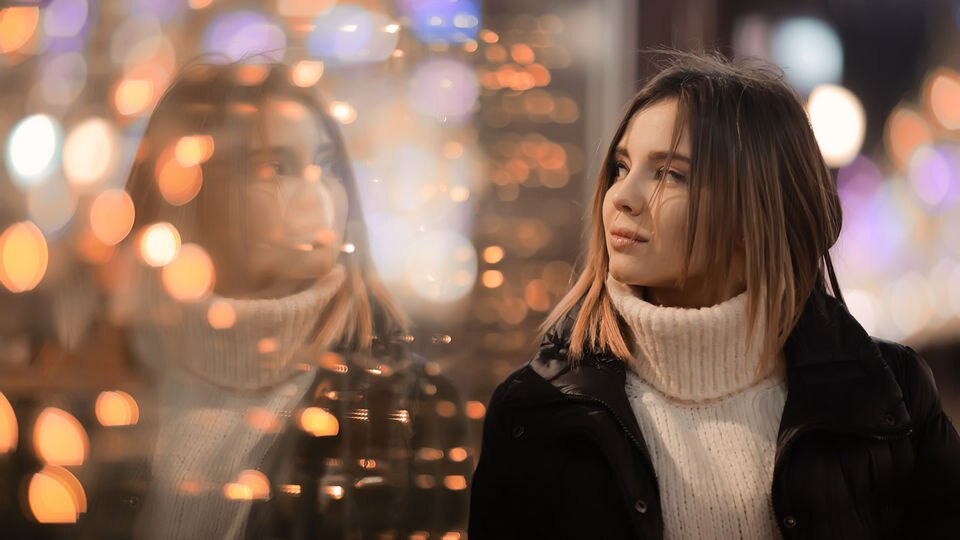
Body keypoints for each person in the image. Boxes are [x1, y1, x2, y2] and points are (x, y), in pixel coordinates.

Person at [468, 51, 960, 539]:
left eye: (668, 173)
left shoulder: (890, 397)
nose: (621, 196)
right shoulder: (539, 409)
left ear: (755, 214)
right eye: (621, 167)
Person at [101, 60, 422, 539]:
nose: (318, 197)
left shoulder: (394, 406)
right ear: (190, 184)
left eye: (328, 165)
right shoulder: (110, 386)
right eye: (274, 167)